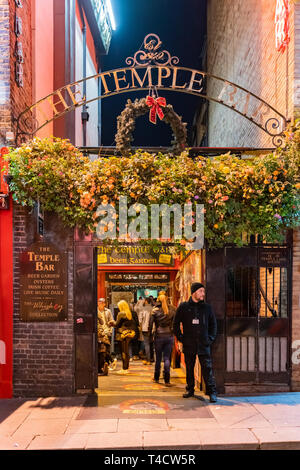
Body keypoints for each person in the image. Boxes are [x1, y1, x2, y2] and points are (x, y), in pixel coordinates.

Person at [173, 282, 218, 403]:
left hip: (204, 344)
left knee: (207, 368)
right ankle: (190, 389)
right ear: (194, 293)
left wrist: (210, 339)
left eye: (203, 291)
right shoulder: (183, 307)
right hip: (189, 344)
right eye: (201, 291)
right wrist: (181, 338)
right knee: (189, 368)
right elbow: (175, 324)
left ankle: (212, 392)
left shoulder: (207, 308)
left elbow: (213, 325)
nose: (203, 293)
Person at [149, 292, 175, 386]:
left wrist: (149, 337)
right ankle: (167, 380)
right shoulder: (172, 309)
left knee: (158, 358)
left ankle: (156, 378)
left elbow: (150, 324)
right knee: (167, 358)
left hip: (159, 336)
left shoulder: (154, 310)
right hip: (169, 335)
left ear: (158, 300)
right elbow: (174, 324)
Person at [114, 300, 136, 374]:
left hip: (121, 334)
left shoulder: (121, 314)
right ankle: (126, 367)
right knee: (126, 352)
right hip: (128, 334)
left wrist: (111, 323)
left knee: (123, 351)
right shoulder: (129, 313)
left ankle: (124, 368)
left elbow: (117, 324)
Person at [97, 298, 116, 375]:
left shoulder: (108, 311)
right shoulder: (95, 310)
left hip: (106, 332)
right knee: (100, 350)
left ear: (105, 304)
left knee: (106, 349)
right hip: (99, 332)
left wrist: (110, 330)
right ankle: (109, 361)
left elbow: (112, 321)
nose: (100, 303)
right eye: (99, 302)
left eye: (102, 302)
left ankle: (105, 365)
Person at [138, 298, 153, 365]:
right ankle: (152, 358)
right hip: (152, 328)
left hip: (145, 328)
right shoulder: (152, 308)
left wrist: (140, 326)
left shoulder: (143, 309)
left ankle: (148, 359)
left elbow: (140, 320)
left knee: (146, 344)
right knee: (151, 344)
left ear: (146, 301)